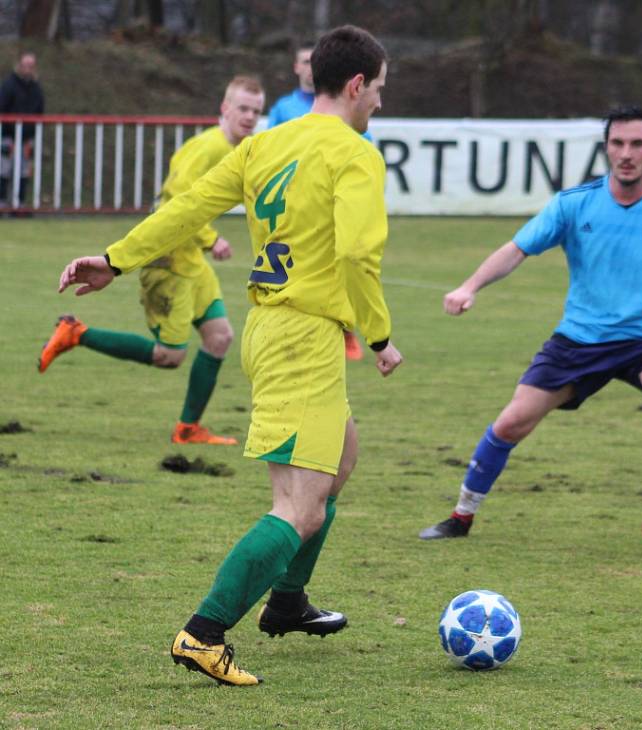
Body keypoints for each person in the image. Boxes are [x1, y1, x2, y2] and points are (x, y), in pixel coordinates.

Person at [58, 25, 402, 686]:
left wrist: (115, 258)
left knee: (343, 457)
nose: (379, 105)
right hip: (302, 337)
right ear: (356, 85)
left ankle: (289, 601)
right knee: (299, 507)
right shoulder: (356, 153)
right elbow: (360, 254)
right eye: (379, 91)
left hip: (274, 328)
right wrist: (381, 338)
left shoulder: (265, 144)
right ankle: (204, 633)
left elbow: (186, 209)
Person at [419, 106, 642, 548]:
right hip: (579, 342)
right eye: (617, 143)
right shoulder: (573, 203)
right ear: (606, 148)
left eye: (637, 144)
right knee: (510, 424)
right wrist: (470, 286)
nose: (626, 153)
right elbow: (517, 249)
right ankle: (460, 516)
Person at [38, 76, 265, 445]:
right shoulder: (206, 148)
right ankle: (76, 333)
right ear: (224, 108)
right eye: (243, 108)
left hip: (192, 260)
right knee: (170, 355)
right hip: (169, 263)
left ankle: (188, 428)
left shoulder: (237, 148)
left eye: (256, 110)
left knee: (220, 337)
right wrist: (212, 238)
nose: (250, 116)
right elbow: (176, 203)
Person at [267, 40, 371, 361]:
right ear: (297, 68)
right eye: (304, 61)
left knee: (345, 258)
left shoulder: (343, 108)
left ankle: (346, 330)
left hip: (334, 197)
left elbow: (362, 144)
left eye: (314, 61)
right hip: (298, 201)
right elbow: (273, 150)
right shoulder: (284, 108)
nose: (309, 68)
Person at [0, 51, 45, 207]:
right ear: (19, 65)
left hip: (27, 138)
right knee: (4, 169)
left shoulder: (36, 88)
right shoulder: (8, 85)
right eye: (25, 65)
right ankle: (2, 202)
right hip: (7, 136)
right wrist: (9, 135)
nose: (27, 69)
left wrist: (29, 137)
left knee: (24, 171)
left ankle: (19, 203)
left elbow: (39, 112)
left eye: (31, 66)